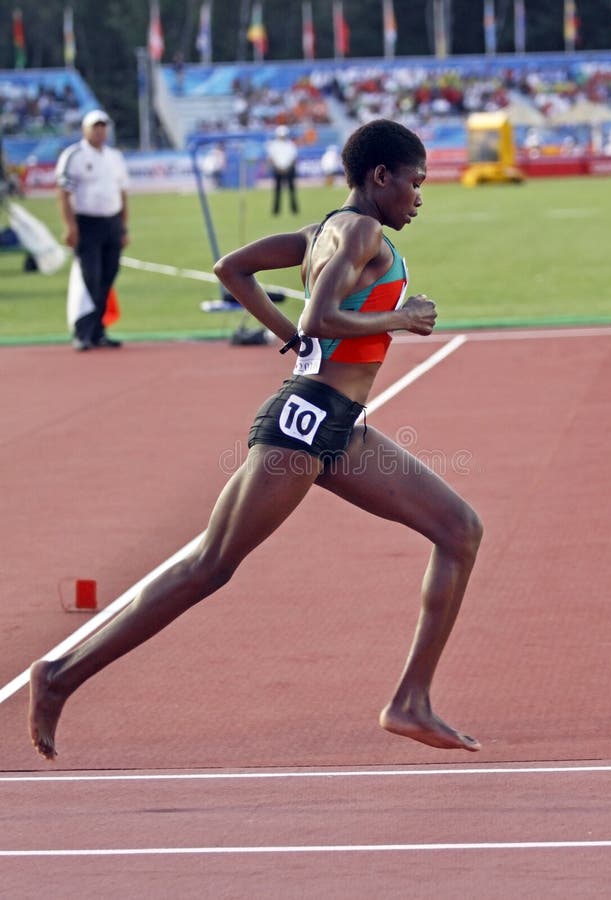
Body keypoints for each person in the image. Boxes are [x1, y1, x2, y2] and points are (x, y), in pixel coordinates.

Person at [28, 118, 483, 761]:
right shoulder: (359, 230)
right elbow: (320, 316)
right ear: (380, 176)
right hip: (305, 421)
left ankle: (411, 700)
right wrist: (398, 318)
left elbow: (231, 268)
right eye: (415, 182)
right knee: (208, 567)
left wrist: (292, 339)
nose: (419, 196)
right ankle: (60, 675)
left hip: (336, 425)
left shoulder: (320, 231)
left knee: (459, 529)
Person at [55, 109, 129, 352]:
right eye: (95, 126)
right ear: (85, 129)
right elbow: (64, 194)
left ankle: (98, 331)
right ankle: (82, 332)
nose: (100, 131)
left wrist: (123, 227)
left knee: (108, 276)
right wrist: (70, 226)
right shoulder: (74, 155)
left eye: (103, 126)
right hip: (87, 224)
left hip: (112, 223)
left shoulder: (114, 156)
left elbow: (123, 192)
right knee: (89, 279)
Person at [266, 124, 299, 215]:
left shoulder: (290, 144)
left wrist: (287, 167)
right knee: (277, 191)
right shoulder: (274, 145)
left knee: (292, 191)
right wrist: (278, 167)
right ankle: (276, 210)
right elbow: (271, 158)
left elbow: (293, 158)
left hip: (289, 169)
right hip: (278, 169)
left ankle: (294, 210)